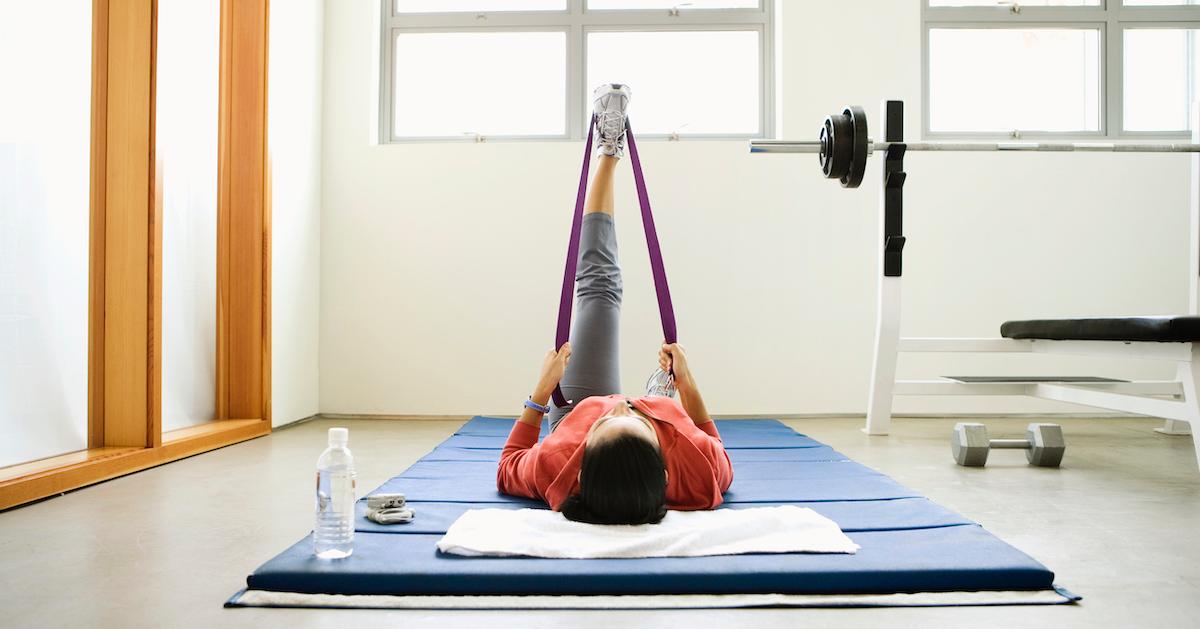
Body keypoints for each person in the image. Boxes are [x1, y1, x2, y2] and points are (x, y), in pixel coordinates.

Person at [496, 84, 734, 525]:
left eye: (607, 421)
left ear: (582, 457)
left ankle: (609, 149)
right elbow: (712, 443)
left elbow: (509, 463)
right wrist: (688, 387)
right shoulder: (699, 474)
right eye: (634, 418)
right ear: (665, 469)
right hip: (661, 421)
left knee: (600, 286)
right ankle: (656, 395)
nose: (621, 405)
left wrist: (541, 394)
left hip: (574, 408)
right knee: (641, 378)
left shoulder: (560, 463)